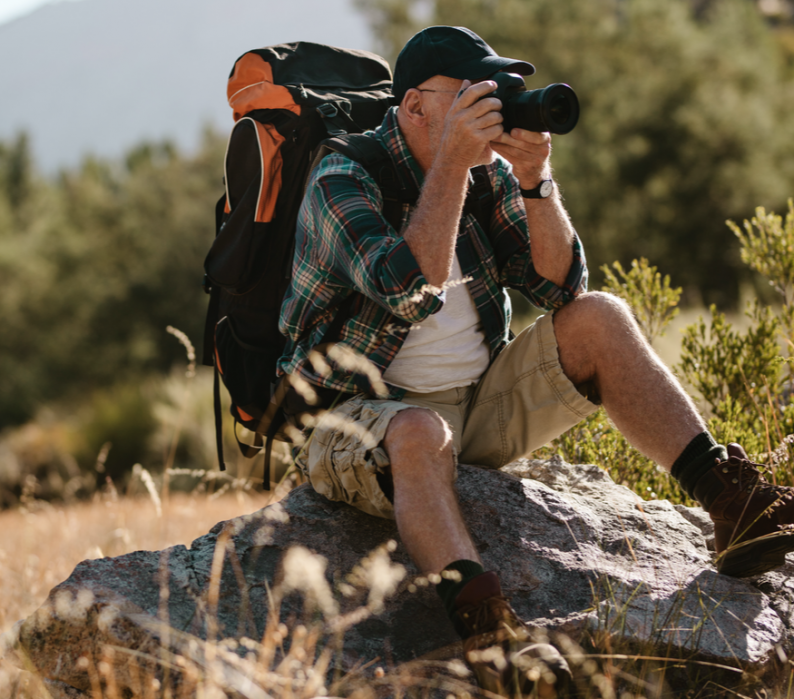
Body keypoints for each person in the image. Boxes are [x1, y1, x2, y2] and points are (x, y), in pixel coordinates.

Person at [277, 24, 794, 693]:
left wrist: (534, 177)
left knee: (600, 316)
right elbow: (409, 287)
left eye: (493, 92)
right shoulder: (343, 176)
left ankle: (732, 505)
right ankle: (487, 629)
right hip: (351, 419)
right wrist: (450, 168)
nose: (490, 106)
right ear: (414, 108)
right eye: (470, 95)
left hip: (474, 411)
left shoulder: (485, 173)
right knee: (418, 431)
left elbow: (560, 288)